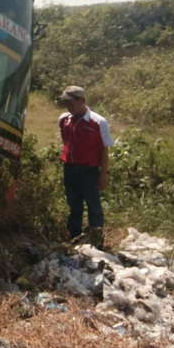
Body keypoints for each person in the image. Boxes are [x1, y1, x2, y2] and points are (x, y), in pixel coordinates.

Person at [58, 85, 113, 247]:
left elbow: (104, 150)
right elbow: (65, 141)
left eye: (71, 103)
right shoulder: (64, 119)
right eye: (66, 103)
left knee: (93, 205)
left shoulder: (98, 122)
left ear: (82, 101)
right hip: (70, 169)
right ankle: (75, 239)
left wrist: (103, 174)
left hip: (89, 171)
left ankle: (96, 243)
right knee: (74, 206)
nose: (68, 107)